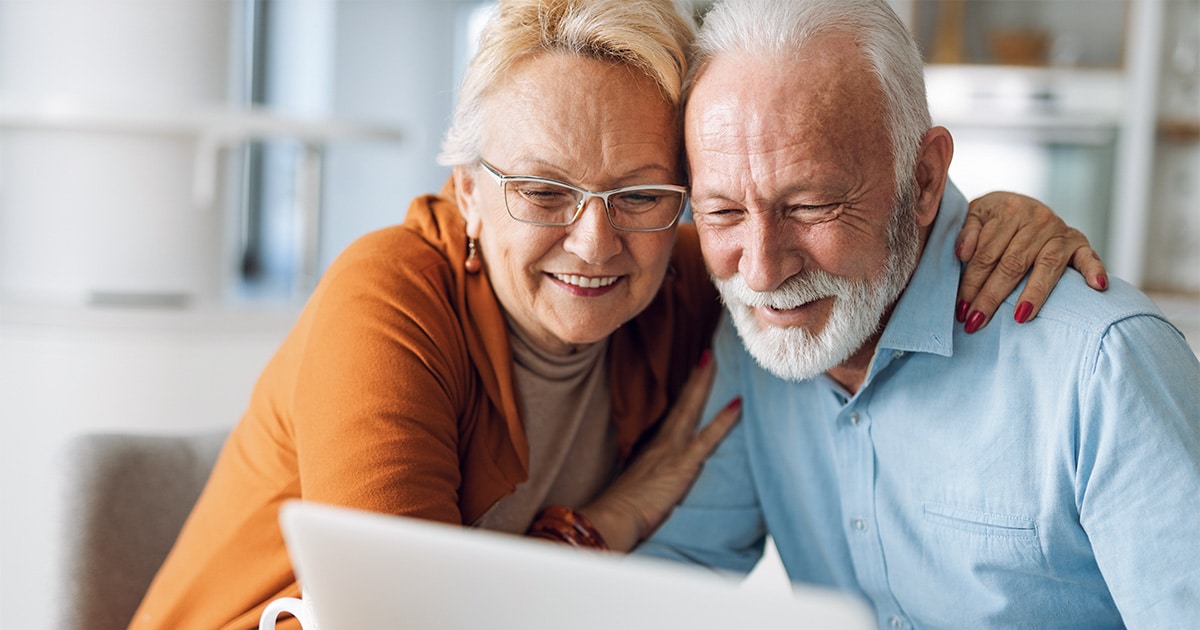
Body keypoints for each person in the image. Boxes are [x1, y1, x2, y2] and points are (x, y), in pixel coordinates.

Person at [129, 1, 1108, 628]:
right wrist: (607, 522)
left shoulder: (689, 277)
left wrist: (991, 221)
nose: (596, 244)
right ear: (467, 191)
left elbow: (821, 221)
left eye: (644, 193)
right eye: (543, 191)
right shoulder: (387, 302)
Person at [636, 0, 1200, 627]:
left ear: (925, 178)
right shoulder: (761, 343)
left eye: (811, 206)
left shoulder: (1102, 367)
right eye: (722, 213)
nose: (763, 272)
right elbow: (661, 583)